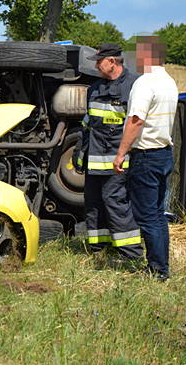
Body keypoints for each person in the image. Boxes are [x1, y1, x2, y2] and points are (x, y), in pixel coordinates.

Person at [114, 36, 178, 280]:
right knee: (158, 215)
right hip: (164, 154)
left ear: (147, 55)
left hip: (146, 156)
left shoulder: (145, 82)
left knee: (147, 216)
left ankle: (157, 270)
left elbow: (136, 120)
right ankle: (161, 265)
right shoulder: (169, 81)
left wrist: (121, 153)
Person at [73, 43, 142, 260]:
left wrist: (123, 155)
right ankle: (99, 249)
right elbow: (88, 125)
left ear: (112, 61)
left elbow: (135, 125)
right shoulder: (94, 89)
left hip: (118, 161)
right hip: (94, 159)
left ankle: (131, 254)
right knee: (93, 204)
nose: (96, 66)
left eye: (99, 61)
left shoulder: (134, 86)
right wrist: (80, 154)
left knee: (115, 202)